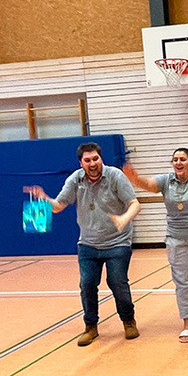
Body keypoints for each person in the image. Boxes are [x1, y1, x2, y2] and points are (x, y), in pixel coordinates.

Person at [25, 142, 141, 347]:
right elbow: (58, 206)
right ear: (81, 163)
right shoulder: (75, 179)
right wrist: (44, 198)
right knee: (87, 284)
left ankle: (128, 321)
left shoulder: (115, 176)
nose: (92, 163)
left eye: (96, 158)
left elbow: (134, 203)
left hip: (117, 243)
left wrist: (124, 219)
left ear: (101, 159)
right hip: (88, 244)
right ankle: (90, 326)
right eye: (88, 160)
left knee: (117, 282)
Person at [122, 148, 188, 343]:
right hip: (177, 239)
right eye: (175, 159)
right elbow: (150, 185)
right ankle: (187, 323)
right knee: (183, 281)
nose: (178, 162)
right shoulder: (166, 181)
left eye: (183, 159)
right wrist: (135, 179)